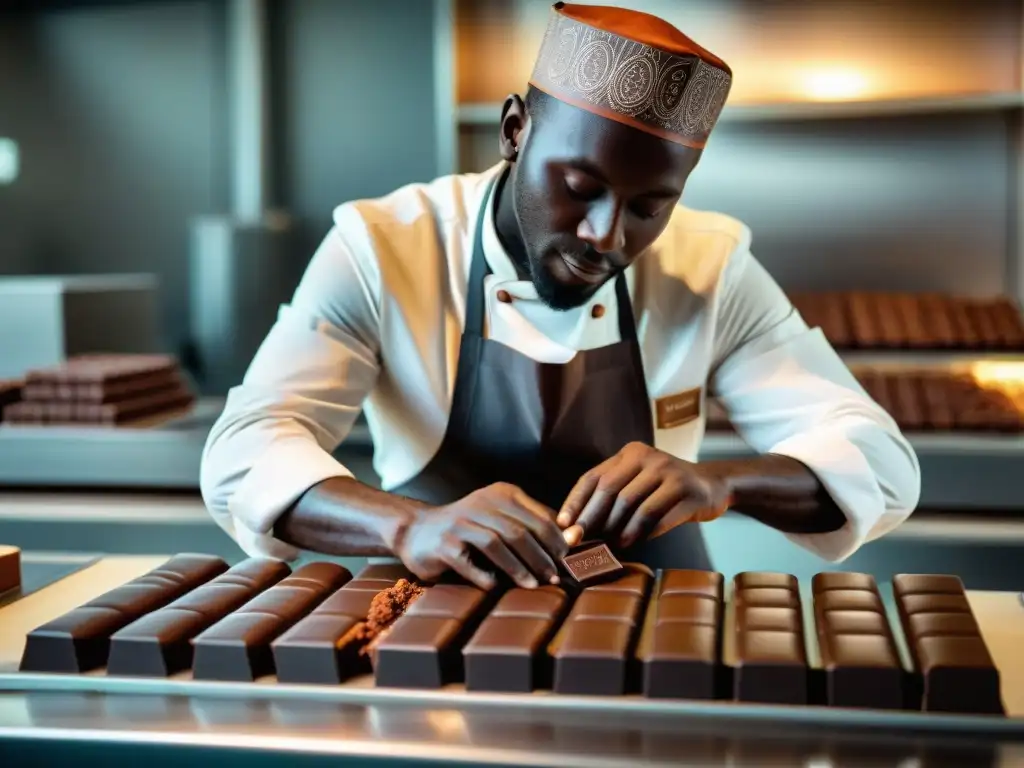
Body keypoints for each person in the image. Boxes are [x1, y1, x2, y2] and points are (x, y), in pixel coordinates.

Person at [200, 2, 920, 590]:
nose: (605, 235)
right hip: (435, 613)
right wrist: (405, 525)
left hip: (656, 615)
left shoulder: (711, 264)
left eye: (648, 208)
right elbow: (244, 449)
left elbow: (879, 463)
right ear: (515, 131)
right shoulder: (384, 247)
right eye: (579, 189)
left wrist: (719, 483)